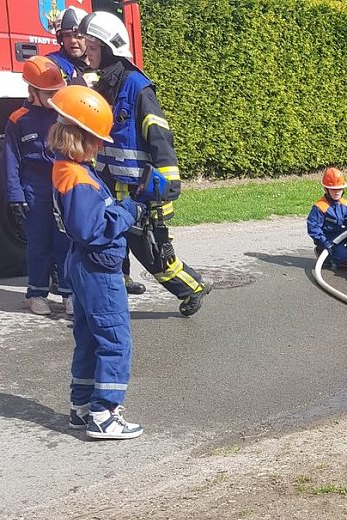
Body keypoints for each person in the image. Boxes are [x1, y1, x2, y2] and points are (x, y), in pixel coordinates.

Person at [78, 10, 212, 314]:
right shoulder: (102, 87)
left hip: (142, 189)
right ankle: (117, 291)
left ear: (111, 48)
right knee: (110, 241)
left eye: (94, 47)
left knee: (152, 253)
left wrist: (166, 185)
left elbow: (159, 136)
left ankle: (193, 287)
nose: (88, 53)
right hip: (110, 184)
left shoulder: (138, 87)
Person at [48, 85, 146, 439]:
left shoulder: (68, 168)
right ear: (81, 137)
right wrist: (127, 210)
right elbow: (93, 229)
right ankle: (104, 414)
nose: (102, 145)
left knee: (90, 338)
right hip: (97, 269)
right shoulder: (77, 178)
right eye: (97, 139)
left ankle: (82, 407)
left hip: (83, 265)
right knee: (115, 340)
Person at [4, 56, 73, 317]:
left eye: (57, 91)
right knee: (39, 244)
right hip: (34, 190)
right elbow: (11, 162)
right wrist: (15, 195)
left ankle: (69, 293)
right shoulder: (18, 120)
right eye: (48, 93)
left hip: (62, 187)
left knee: (65, 242)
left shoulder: (63, 114)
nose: (54, 97)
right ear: (32, 91)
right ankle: (36, 294)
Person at [307, 168, 347, 271]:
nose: (337, 192)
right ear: (326, 189)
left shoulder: (343, 203)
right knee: (337, 255)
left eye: (340, 189)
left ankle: (345, 256)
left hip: (339, 234)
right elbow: (313, 228)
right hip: (326, 238)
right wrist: (324, 242)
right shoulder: (320, 207)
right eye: (333, 189)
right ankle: (325, 252)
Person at [47, 6, 91, 86]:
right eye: (67, 35)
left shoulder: (99, 63)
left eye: (78, 36)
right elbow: (43, 95)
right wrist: (73, 87)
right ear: (61, 39)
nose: (72, 41)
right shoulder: (51, 63)